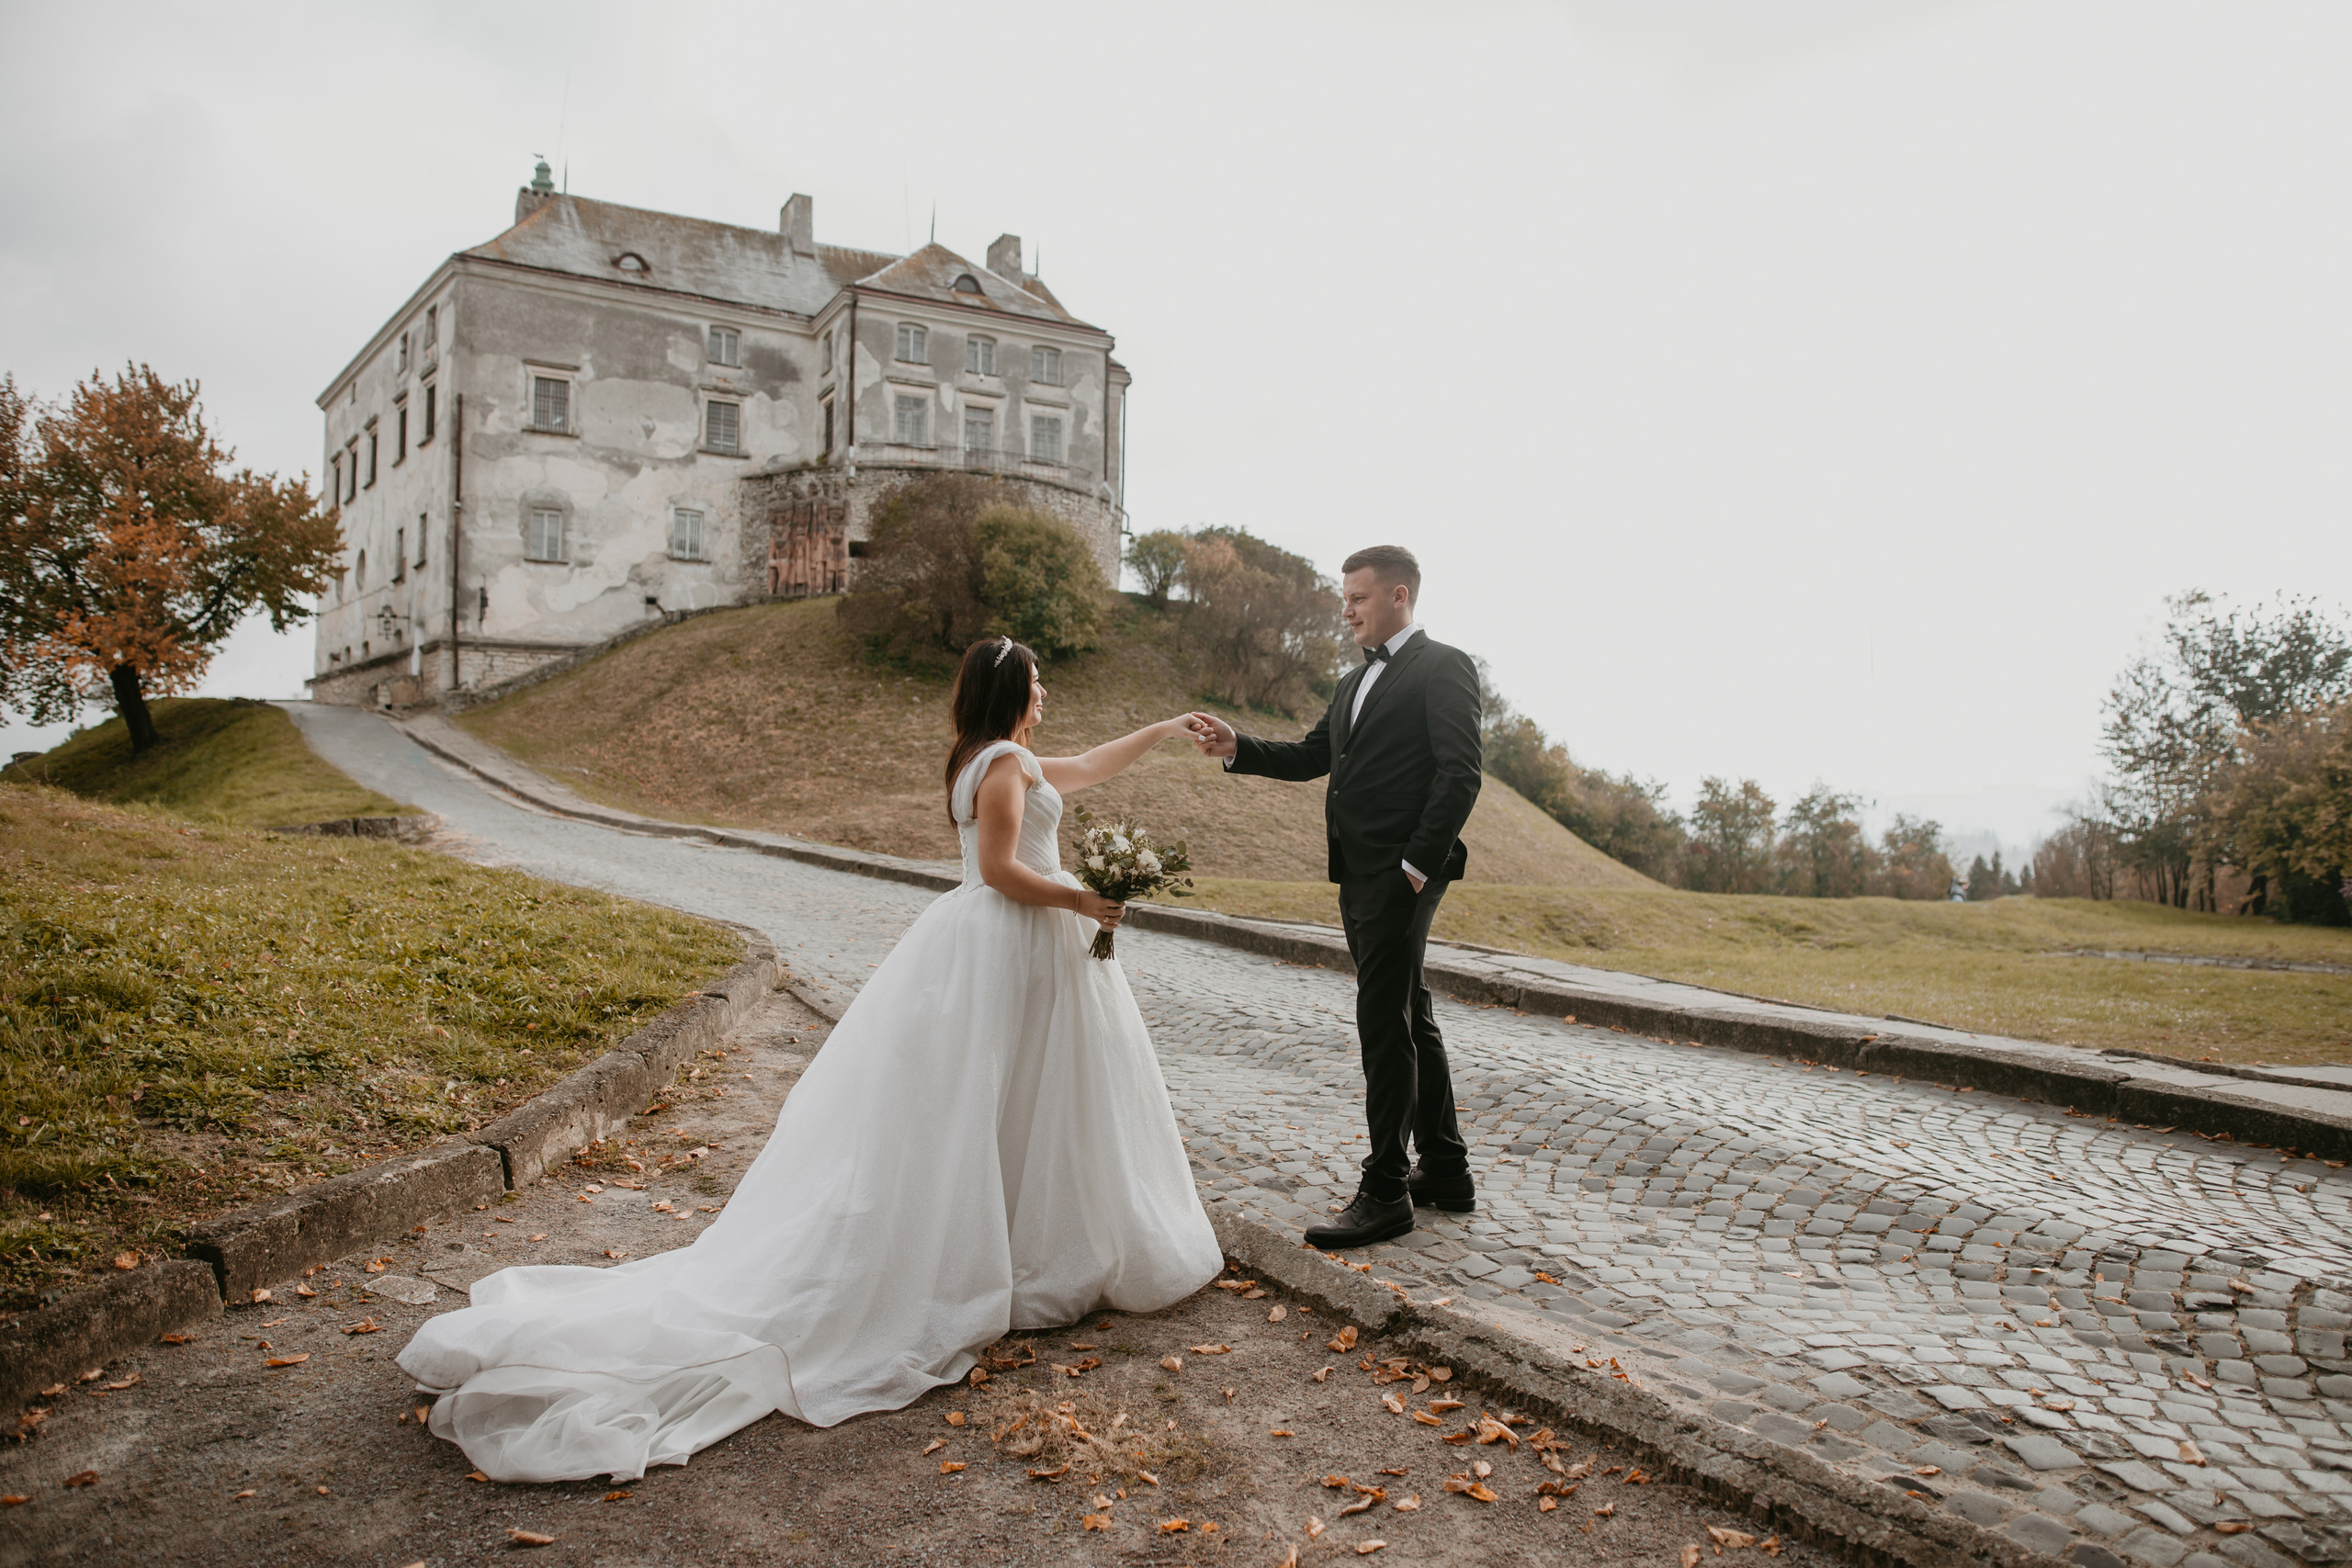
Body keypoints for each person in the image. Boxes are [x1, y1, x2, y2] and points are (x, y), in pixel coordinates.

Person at [397, 636, 1221, 1483]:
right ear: (1011, 689)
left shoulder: (996, 757)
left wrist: (1163, 730)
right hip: (1011, 941)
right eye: (1037, 681)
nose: (1045, 691)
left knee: (1012, 1099)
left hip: (1009, 947)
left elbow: (1090, 763)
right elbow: (1002, 869)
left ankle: (1016, 1245)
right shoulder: (1005, 765)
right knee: (1004, 1097)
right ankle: (1004, 1257)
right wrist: (1083, 899)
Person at [1187, 545, 1481, 1250]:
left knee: (1383, 1021)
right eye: (1344, 598)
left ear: (1399, 595)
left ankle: (1386, 1190)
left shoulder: (1444, 666)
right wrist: (1238, 745)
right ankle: (1445, 1167)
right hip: (1358, 870)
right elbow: (1313, 755)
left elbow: (1460, 772)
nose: (1346, 610)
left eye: (1357, 597)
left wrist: (1415, 866)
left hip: (1400, 873)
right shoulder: (1352, 682)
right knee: (1409, 1010)